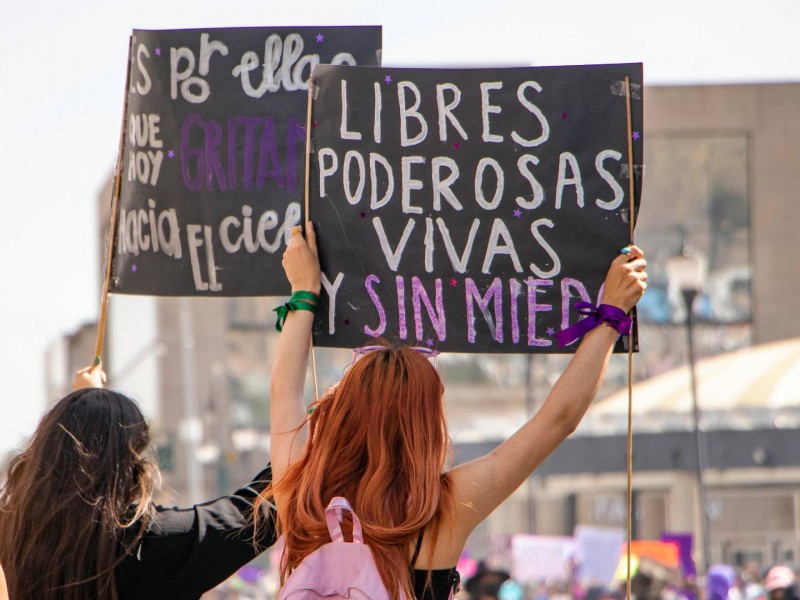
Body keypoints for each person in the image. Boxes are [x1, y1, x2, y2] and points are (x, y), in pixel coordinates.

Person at [260, 222, 648, 600]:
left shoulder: (302, 495)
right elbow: (557, 420)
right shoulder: (441, 509)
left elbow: (284, 394)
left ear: (345, 410)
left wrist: (304, 290)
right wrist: (611, 314)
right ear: (424, 425)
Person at [0, 366, 277, 600]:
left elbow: (69, 473)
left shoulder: (9, 532)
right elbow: (254, 514)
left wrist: (83, 407)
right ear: (126, 467)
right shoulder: (145, 544)